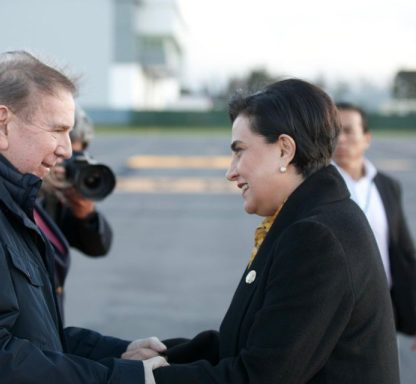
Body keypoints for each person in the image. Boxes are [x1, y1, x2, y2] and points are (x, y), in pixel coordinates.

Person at [127, 79, 400, 383]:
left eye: (240, 151)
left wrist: (147, 379)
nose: (231, 172)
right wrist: (167, 357)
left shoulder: (316, 237)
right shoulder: (311, 218)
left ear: (284, 151)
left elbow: (261, 375)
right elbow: (255, 340)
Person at [0, 50, 167, 383]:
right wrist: (117, 378)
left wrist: (118, 353)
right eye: (57, 130)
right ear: (3, 124)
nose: (67, 149)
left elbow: (34, 336)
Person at [333, 102, 416, 382]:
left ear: (366, 138)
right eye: (333, 132)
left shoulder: (387, 186)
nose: (340, 139)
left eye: (347, 131)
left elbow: (402, 253)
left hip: (380, 310)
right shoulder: (314, 186)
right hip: (330, 309)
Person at [35, 106, 113, 317]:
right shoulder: (29, 188)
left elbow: (98, 247)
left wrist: (86, 213)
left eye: (76, 155)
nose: (66, 158)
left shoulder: (60, 195)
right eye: (62, 153)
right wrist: (40, 183)